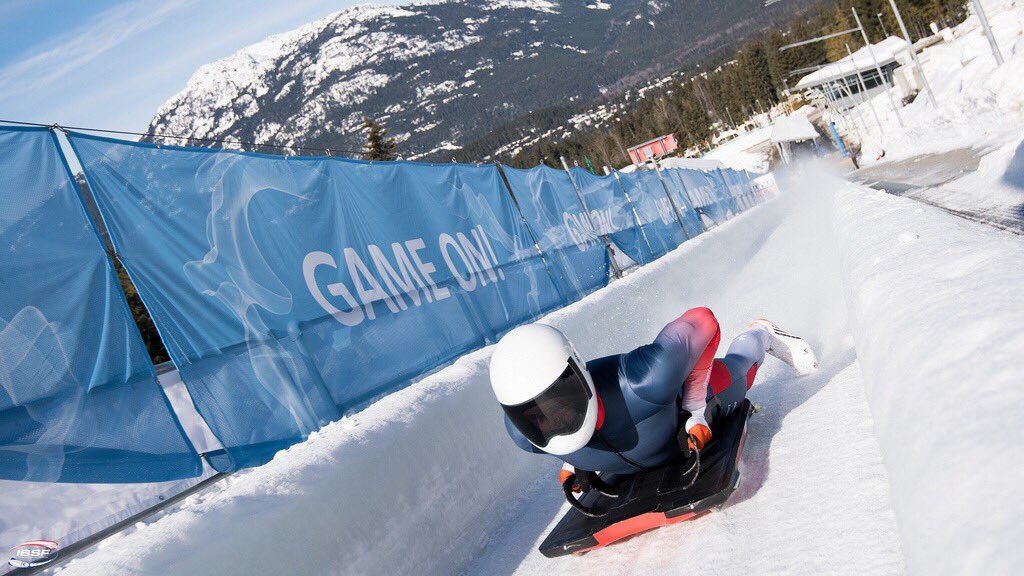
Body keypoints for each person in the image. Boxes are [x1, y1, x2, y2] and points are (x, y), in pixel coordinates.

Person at [488, 307, 817, 480]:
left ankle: (762, 331)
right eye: (535, 416)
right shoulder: (524, 435)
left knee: (740, 370)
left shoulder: (646, 381)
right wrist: (575, 462)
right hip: (651, 438)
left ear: (575, 373)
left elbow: (703, 320)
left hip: (685, 407)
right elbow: (544, 419)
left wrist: (695, 408)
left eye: (555, 404)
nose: (551, 419)